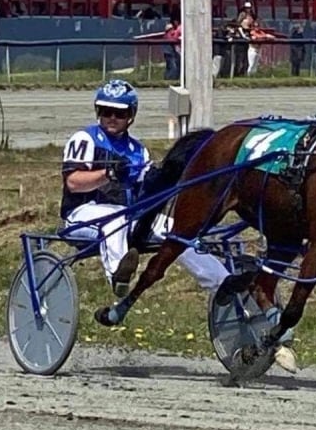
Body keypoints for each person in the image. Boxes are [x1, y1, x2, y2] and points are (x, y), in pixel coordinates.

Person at [61, 80, 235, 325]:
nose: (111, 117)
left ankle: (222, 282)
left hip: (128, 216)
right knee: (116, 220)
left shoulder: (138, 151)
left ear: (131, 115)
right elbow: (74, 183)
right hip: (82, 214)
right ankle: (119, 276)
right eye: (105, 111)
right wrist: (108, 174)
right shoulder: (85, 139)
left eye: (119, 113)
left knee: (179, 230)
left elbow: (147, 190)